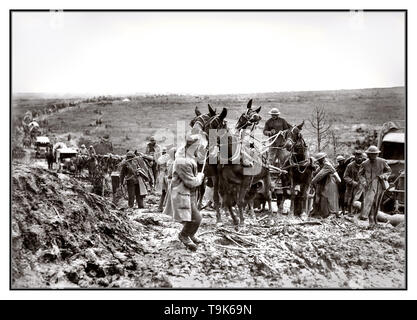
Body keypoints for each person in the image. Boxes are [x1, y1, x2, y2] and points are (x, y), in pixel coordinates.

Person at [163, 134, 205, 251]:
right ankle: (184, 235)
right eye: (198, 147)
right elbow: (191, 182)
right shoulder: (183, 161)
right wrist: (200, 177)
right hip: (182, 192)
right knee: (196, 218)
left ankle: (191, 234)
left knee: (192, 216)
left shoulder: (186, 154)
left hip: (188, 193)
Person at [358, 145, 391, 226]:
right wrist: (364, 182)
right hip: (369, 186)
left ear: (377, 154)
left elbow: (389, 171)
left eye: (374, 154)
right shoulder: (364, 163)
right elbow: (360, 174)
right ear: (368, 154)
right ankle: (371, 219)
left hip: (379, 185)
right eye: (371, 154)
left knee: (377, 202)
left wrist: (384, 176)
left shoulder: (382, 161)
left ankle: (375, 219)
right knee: (370, 201)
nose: (372, 155)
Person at [311, 152, 340, 218]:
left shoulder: (327, 165)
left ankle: (333, 213)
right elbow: (316, 172)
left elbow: (319, 175)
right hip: (325, 183)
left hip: (330, 183)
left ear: (322, 159)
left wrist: (312, 181)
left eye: (319, 160)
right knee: (323, 198)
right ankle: (322, 213)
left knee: (330, 198)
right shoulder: (322, 165)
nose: (318, 161)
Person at [343, 150, 364, 215]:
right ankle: (350, 213)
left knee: (362, 200)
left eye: (360, 157)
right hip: (351, 187)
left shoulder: (365, 165)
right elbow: (345, 176)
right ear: (355, 157)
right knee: (350, 200)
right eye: (357, 157)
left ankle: (361, 214)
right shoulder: (350, 165)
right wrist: (352, 182)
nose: (359, 158)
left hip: (362, 186)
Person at [156, 147, 175, 212]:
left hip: (162, 176)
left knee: (164, 193)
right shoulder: (170, 160)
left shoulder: (161, 158)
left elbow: (157, 169)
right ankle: (167, 209)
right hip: (167, 177)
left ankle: (160, 207)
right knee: (169, 193)